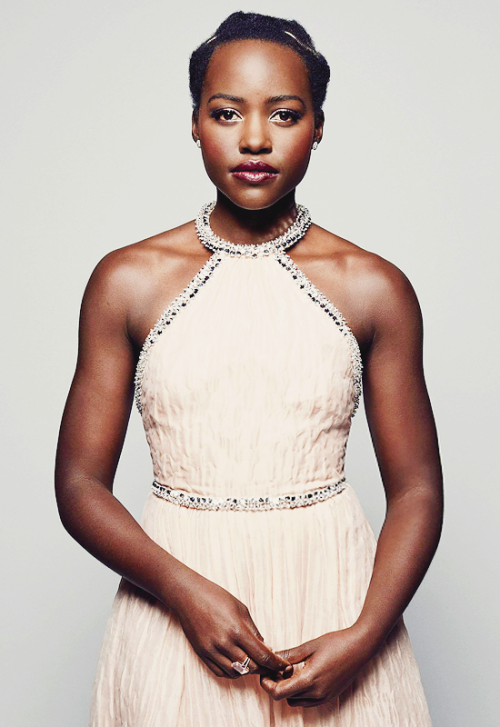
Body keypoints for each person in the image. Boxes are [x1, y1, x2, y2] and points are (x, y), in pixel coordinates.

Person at [55, 11, 443, 726]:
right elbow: (79, 485)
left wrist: (363, 637)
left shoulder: (373, 287)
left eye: (285, 114)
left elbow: (417, 488)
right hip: (175, 612)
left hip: (335, 606)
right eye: (227, 112)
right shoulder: (126, 281)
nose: (256, 139)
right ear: (196, 122)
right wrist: (181, 590)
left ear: (319, 125)